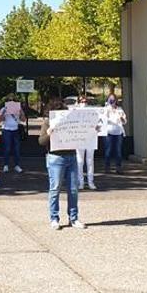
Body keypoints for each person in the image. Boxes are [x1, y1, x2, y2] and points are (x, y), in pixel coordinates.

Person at [39, 97, 86, 230]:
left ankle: (74, 218)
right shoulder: (48, 122)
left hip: (71, 156)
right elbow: (41, 141)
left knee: (73, 189)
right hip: (55, 158)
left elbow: (82, 133)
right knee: (55, 188)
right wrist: (49, 133)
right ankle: (54, 218)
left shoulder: (71, 121)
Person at [0, 95, 27, 174]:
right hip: (6, 130)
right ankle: (5, 165)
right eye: (10, 101)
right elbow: (0, 120)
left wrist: (21, 112)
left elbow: (23, 120)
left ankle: (17, 165)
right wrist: (4, 112)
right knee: (7, 148)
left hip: (15, 130)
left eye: (13, 101)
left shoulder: (18, 109)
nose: (12, 102)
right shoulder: (3, 109)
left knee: (17, 149)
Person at [75, 95, 98, 190]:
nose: (83, 103)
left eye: (85, 101)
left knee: (90, 161)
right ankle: (80, 182)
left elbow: (99, 122)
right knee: (79, 162)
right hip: (79, 138)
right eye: (81, 101)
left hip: (90, 139)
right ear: (78, 102)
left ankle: (90, 182)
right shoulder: (75, 112)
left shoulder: (92, 112)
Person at [103, 93, 127, 174]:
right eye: (110, 99)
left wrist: (122, 118)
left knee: (118, 151)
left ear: (116, 100)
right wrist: (108, 110)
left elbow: (124, 122)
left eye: (113, 99)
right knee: (108, 151)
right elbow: (103, 120)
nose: (112, 101)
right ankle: (107, 167)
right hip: (108, 133)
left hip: (118, 132)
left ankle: (118, 168)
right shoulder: (106, 109)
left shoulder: (120, 109)